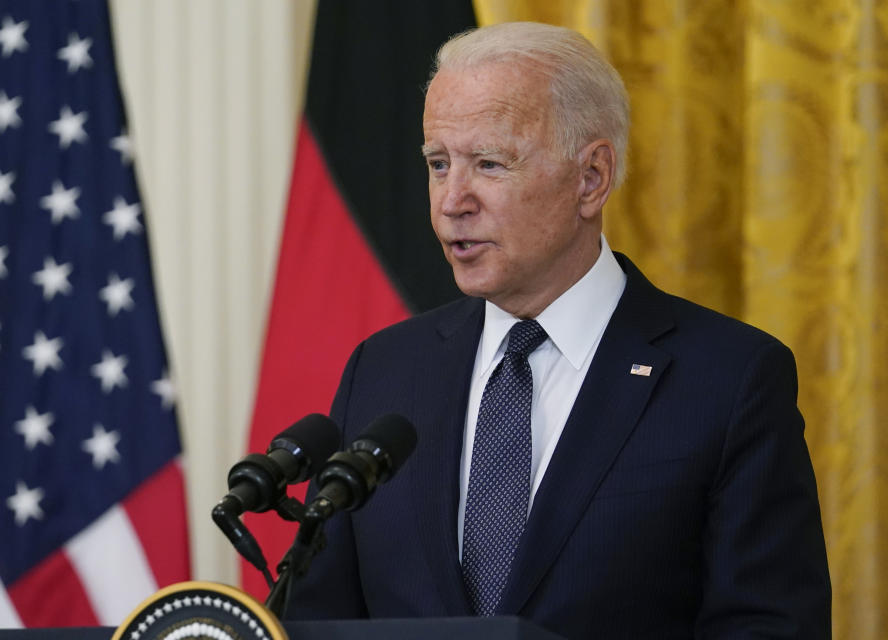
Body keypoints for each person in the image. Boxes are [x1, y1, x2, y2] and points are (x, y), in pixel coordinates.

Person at [287, 21, 831, 638]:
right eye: (438, 164)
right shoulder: (383, 370)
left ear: (592, 178)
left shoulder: (730, 379)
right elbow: (317, 618)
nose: (451, 200)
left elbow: (771, 628)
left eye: (489, 164)